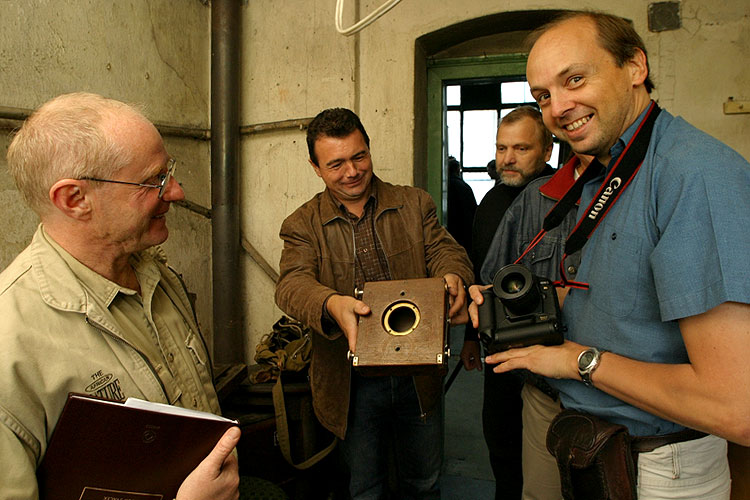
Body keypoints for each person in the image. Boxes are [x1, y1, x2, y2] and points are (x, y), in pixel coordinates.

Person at [470, 11, 750, 499]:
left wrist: (580, 361)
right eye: (543, 95)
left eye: (575, 79)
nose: (558, 108)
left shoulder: (695, 175)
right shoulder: (592, 171)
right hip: (563, 432)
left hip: (651, 461)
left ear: (635, 66)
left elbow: (734, 406)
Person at [0, 92, 240, 500]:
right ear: (74, 199)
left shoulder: (155, 274)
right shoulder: (12, 343)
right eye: (154, 181)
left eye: (170, 172)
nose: (177, 192)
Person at [275, 107, 473, 499]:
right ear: (315, 167)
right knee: (365, 488)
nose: (351, 171)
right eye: (336, 164)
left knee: (424, 482)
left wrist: (453, 277)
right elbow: (291, 285)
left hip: (418, 375)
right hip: (352, 383)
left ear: (368, 148)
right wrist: (331, 304)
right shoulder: (301, 224)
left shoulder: (415, 204)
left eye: (358, 156)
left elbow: (446, 252)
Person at [480, 152, 591, 500]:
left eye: (521, 148)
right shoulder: (535, 198)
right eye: (544, 97)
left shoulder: (652, 187)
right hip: (545, 389)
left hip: (623, 393)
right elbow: (495, 279)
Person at [459, 105, 554, 499]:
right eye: (501, 148)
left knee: (545, 455)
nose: (507, 159)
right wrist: (468, 337)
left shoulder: (565, 196)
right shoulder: (492, 200)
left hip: (549, 348)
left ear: (547, 150)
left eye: (520, 149)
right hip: (498, 345)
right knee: (500, 439)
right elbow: (479, 276)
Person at [446, 155, 477, 254]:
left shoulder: (446, 187)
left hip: (452, 231)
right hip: (465, 233)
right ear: (458, 170)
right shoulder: (464, 186)